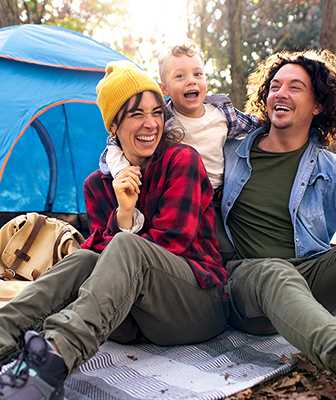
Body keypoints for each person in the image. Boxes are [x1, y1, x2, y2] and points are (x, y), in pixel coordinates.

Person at [0, 61, 227, 400]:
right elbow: (94, 253)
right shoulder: (98, 185)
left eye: (156, 112)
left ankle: (50, 362)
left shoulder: (182, 161)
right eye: (136, 115)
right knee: (81, 261)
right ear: (115, 124)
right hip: (133, 321)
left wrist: (125, 225)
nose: (150, 123)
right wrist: (122, 211)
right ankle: (4, 335)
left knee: (123, 246)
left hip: (196, 304)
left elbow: (172, 243)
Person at [221, 49, 336, 400]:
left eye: (295, 87)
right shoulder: (231, 151)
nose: (281, 93)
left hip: (312, 282)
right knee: (274, 270)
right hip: (249, 284)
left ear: (317, 106)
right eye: (275, 86)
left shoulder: (328, 166)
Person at [100, 43, 260, 191]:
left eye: (198, 74)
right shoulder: (165, 119)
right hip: (182, 190)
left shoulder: (222, 112)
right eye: (180, 76)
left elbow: (255, 125)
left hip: (219, 195)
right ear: (164, 89)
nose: (191, 81)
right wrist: (120, 170)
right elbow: (115, 142)